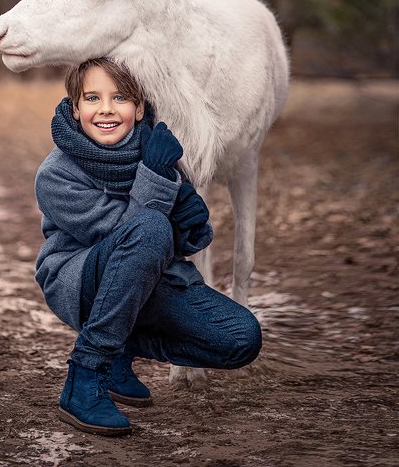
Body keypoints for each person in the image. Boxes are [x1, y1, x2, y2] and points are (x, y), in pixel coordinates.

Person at [34, 57, 262, 437]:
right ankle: (86, 373)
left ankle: (120, 349)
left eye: (120, 97)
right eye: (92, 98)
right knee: (151, 227)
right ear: (75, 108)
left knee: (241, 339)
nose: (106, 109)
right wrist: (157, 179)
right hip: (80, 281)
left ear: (139, 108)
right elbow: (131, 234)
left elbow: (187, 242)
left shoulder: (156, 149)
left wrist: (191, 219)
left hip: (150, 280)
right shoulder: (56, 173)